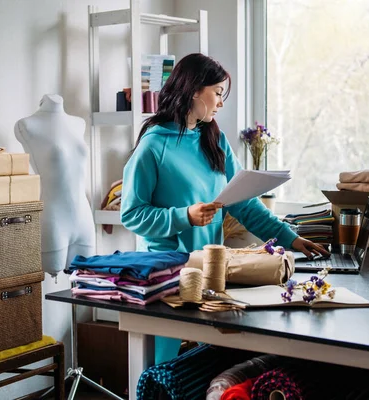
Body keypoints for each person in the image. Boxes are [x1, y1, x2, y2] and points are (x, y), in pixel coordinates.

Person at [120, 53, 329, 362]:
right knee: (162, 372)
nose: (220, 102)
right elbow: (132, 214)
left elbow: (244, 204)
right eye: (217, 92)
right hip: (167, 276)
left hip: (210, 270)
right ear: (194, 90)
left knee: (200, 369)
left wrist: (291, 238)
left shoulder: (214, 139)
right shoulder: (153, 146)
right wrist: (185, 216)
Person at [15, 94, 96, 277]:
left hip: (84, 216)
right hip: (54, 219)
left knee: (85, 279)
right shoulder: (27, 125)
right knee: (54, 280)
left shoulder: (78, 123)